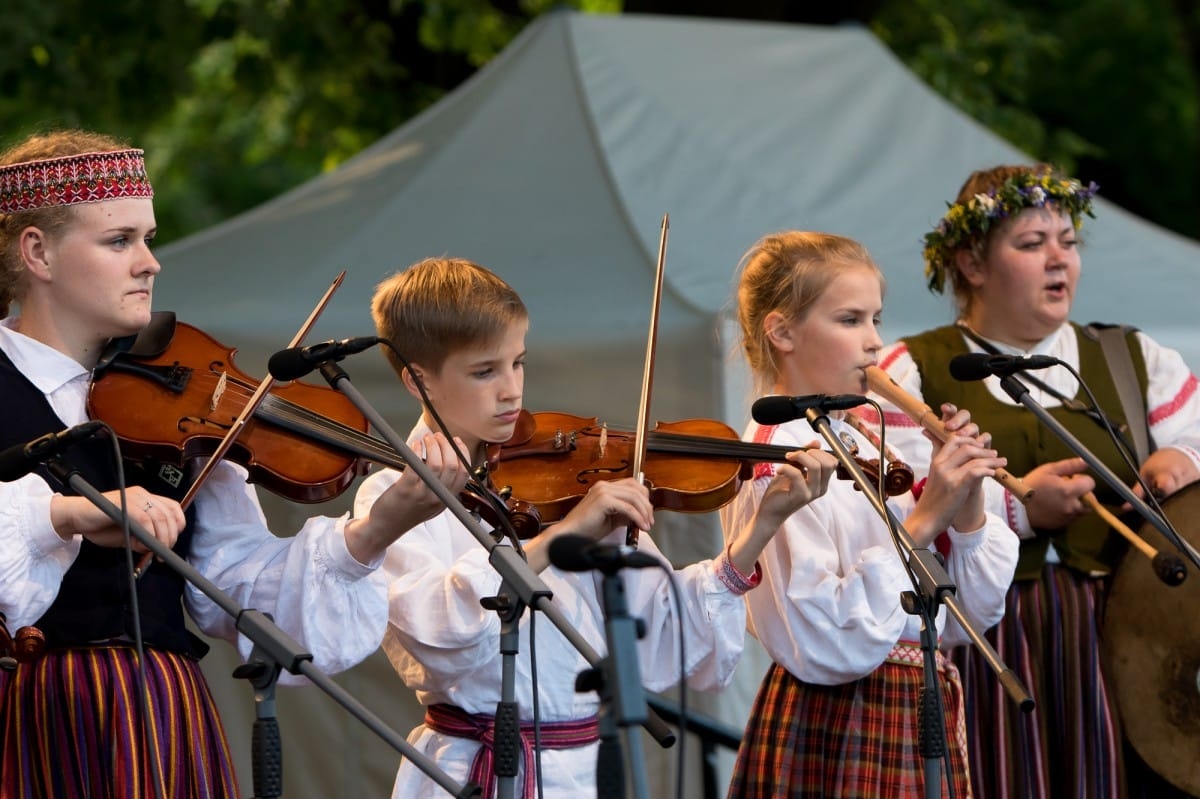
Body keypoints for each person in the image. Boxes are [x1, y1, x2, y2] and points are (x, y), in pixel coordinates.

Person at [0, 129, 472, 799]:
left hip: (160, 716)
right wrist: (67, 513)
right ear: (38, 252)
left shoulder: (176, 409)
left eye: (149, 238)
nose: (149, 262)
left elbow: (239, 582)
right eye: (118, 241)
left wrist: (373, 532)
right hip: (29, 716)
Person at [353, 255, 836, 799]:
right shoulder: (395, 497)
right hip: (472, 773)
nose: (512, 390)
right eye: (485, 371)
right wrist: (563, 536)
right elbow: (441, 635)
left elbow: (662, 630)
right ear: (419, 382)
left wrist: (760, 529)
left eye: (519, 363)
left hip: (582, 772)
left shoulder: (563, 476)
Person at [866, 163, 1200, 798]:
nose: (1059, 260)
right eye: (1031, 244)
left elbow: (1196, 429)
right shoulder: (911, 369)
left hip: (1123, 637)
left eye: (1068, 243)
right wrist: (1019, 509)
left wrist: (1181, 460)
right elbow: (891, 494)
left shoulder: (1131, 358)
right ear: (970, 263)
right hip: (986, 637)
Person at [720, 230, 1020, 798]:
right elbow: (818, 639)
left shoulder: (865, 437)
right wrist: (924, 522)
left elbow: (968, 617)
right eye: (850, 320)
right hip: (839, 714)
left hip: (913, 699)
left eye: (875, 319)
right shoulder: (774, 455)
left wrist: (968, 499)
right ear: (782, 331)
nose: (874, 343)